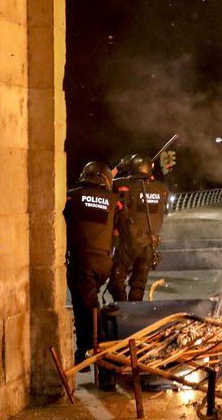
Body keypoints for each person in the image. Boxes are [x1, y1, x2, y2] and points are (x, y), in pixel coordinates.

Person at [64, 161, 122, 364]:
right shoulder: (114, 200)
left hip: (82, 260)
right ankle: (83, 353)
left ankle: (104, 358)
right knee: (82, 305)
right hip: (104, 262)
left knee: (88, 308)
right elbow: (119, 230)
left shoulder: (71, 196)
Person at [107, 153, 170, 301]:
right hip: (150, 244)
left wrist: (119, 167)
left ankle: (122, 313)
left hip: (127, 244)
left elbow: (102, 182)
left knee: (116, 282)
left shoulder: (122, 185)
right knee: (138, 284)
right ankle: (134, 314)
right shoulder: (162, 189)